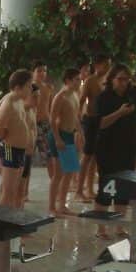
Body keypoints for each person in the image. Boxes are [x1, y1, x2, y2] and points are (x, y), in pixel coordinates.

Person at [93, 64, 136, 239]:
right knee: (106, 188)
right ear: (111, 80)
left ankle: (119, 227)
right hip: (107, 148)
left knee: (124, 188)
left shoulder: (131, 95)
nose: (124, 82)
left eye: (126, 79)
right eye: (120, 79)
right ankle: (101, 229)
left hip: (128, 148)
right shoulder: (103, 98)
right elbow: (101, 123)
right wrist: (119, 113)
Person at [0, 69, 33, 209]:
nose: (31, 89)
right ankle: (2, 226)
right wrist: (4, 140)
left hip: (18, 150)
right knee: (8, 192)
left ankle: (13, 222)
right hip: (10, 149)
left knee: (15, 190)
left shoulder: (17, 100)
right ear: (18, 87)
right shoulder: (8, 104)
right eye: (28, 86)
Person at [77, 54, 111, 201]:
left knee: (96, 157)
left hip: (104, 120)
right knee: (87, 156)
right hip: (91, 120)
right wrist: (78, 124)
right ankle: (79, 189)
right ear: (97, 65)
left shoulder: (109, 81)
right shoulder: (90, 81)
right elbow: (81, 101)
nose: (109, 67)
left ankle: (90, 188)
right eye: (106, 64)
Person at [49, 68, 82, 216]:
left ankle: (62, 205)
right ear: (68, 80)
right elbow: (52, 119)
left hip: (69, 135)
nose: (79, 82)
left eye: (80, 79)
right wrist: (57, 139)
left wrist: (80, 132)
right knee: (58, 174)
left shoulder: (75, 94)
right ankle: (51, 207)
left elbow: (75, 116)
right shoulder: (60, 97)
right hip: (59, 135)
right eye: (77, 80)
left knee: (69, 172)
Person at [29, 61, 54, 203]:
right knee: (27, 158)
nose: (42, 74)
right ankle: (24, 191)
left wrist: (51, 123)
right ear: (33, 72)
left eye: (44, 71)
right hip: (32, 124)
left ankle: (53, 185)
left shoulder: (48, 87)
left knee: (50, 157)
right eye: (39, 71)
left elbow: (49, 107)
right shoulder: (29, 87)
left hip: (45, 125)